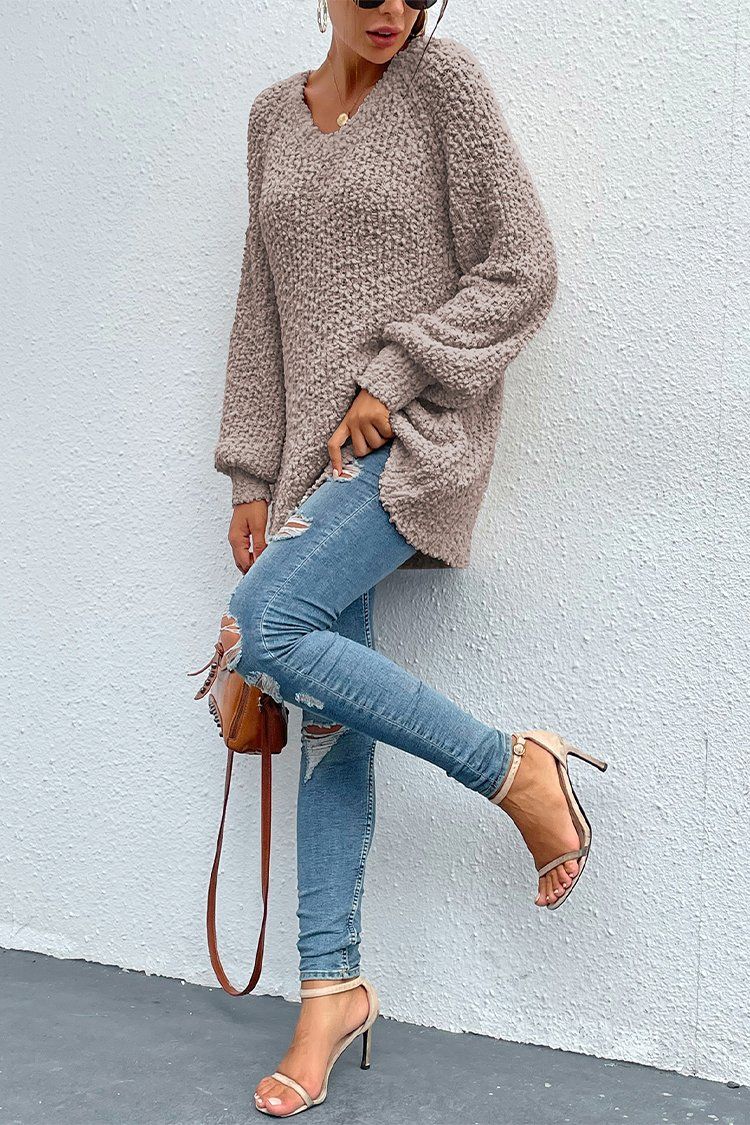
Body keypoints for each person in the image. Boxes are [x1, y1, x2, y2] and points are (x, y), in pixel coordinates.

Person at [211, 1, 608, 1116]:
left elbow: (522, 268)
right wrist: (249, 473)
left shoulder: (446, 86)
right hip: (307, 463)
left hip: (412, 439)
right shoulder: (270, 119)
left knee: (263, 628)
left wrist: (394, 376)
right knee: (325, 720)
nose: (391, 7)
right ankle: (330, 990)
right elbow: (261, 303)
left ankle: (512, 769)